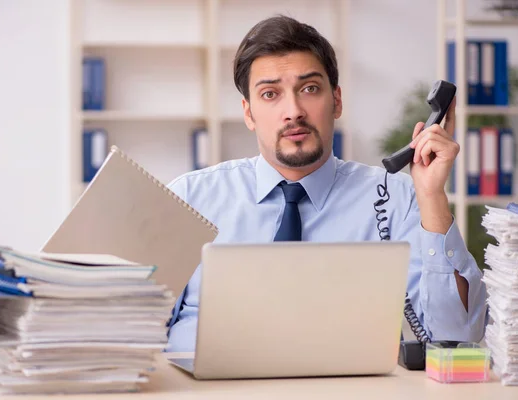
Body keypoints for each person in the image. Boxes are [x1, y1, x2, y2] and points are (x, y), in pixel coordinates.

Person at [165, 15, 487, 352]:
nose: (293, 111)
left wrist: (432, 196)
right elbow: (138, 331)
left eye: (309, 89)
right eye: (270, 94)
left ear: (337, 100)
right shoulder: (189, 198)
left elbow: (458, 336)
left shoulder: (397, 199)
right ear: (249, 113)